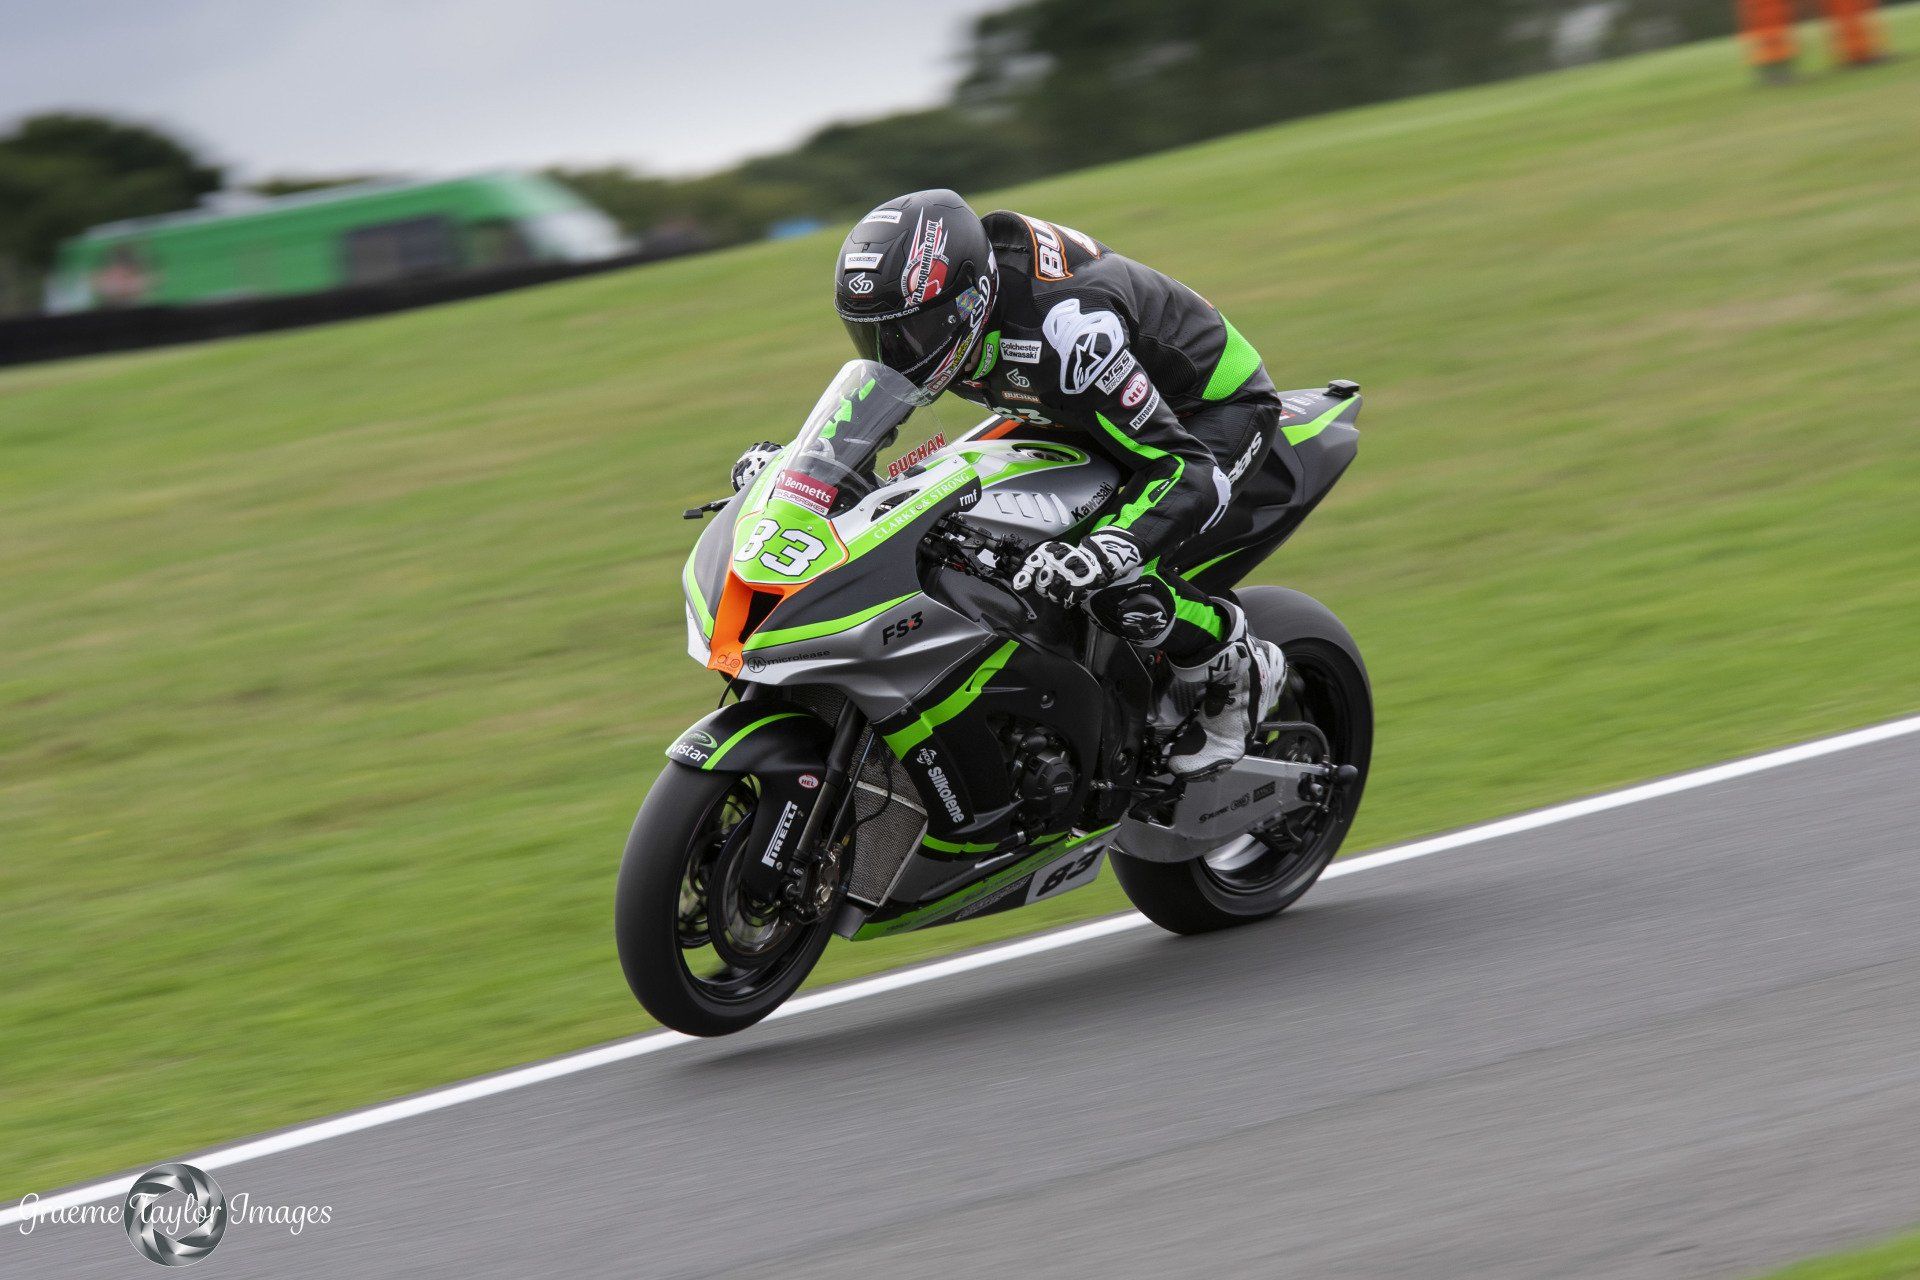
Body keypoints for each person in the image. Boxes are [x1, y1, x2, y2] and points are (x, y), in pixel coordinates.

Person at [739, 188, 1288, 776]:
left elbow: (1185, 468)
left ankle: (1231, 662)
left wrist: (1110, 547)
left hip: (1205, 412)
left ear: (970, 301)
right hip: (1065, 405)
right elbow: (873, 414)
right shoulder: (951, 316)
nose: (892, 352)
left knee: (1107, 574)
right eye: (871, 335)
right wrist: (801, 473)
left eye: (910, 333)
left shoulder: (1066, 332)